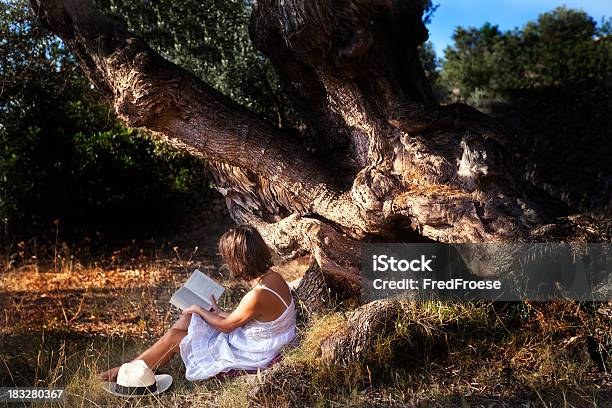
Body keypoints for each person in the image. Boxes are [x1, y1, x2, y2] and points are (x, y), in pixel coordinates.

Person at [99, 225, 296, 381]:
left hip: (253, 355)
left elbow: (227, 327)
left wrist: (200, 309)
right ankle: (136, 368)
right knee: (187, 320)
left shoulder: (257, 295)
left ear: (239, 260)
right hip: (258, 342)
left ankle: (129, 371)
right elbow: (255, 318)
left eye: (228, 258)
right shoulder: (274, 278)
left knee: (176, 335)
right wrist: (217, 311)